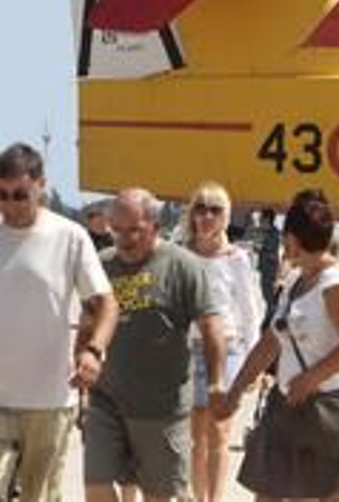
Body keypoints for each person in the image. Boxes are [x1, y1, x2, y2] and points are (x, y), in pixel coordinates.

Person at [222, 188, 339, 502]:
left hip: (328, 406)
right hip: (286, 402)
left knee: (329, 495)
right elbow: (271, 341)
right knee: (268, 492)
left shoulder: (337, 283)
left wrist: (311, 378)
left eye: (286, 238)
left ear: (293, 238)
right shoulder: (296, 279)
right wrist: (235, 391)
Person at [87, 189, 228, 502]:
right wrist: (82, 363)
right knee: (96, 487)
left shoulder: (183, 266)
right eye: (117, 230)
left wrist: (218, 382)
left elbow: (211, 327)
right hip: (107, 400)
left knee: (159, 495)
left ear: (154, 224)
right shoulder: (102, 265)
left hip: (161, 408)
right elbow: (86, 323)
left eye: (133, 229)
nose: (124, 239)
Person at [0, 143, 118, 502]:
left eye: (20, 195)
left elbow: (106, 303)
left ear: (41, 186)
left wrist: (94, 351)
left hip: (49, 400)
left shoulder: (69, 237)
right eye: (2, 195)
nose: (11, 204)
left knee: (39, 496)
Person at [181, 183, 263, 502]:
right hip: (188, 351)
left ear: (226, 217)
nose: (206, 216)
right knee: (196, 434)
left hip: (227, 350)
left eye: (215, 210)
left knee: (219, 431)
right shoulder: (181, 255)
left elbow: (249, 313)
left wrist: (254, 365)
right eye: (200, 208)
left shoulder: (237, 259)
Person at [247, 208, 282, 314]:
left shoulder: (273, 233)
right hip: (265, 267)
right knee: (265, 293)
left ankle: (272, 313)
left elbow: (264, 248)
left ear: (267, 219)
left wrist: (259, 246)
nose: (260, 221)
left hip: (270, 268)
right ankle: (271, 310)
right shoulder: (266, 232)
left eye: (262, 218)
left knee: (268, 294)